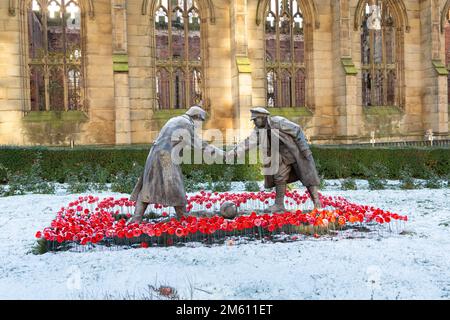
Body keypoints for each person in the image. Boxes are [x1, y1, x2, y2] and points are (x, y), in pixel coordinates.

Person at [129, 105, 224, 223]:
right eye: (201, 121)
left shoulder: (174, 119)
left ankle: (136, 218)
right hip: (166, 157)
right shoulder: (186, 123)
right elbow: (197, 143)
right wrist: (218, 151)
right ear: (196, 117)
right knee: (176, 187)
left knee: (148, 187)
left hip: (154, 154)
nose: (200, 125)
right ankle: (183, 217)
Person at [228, 107, 322, 212]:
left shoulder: (278, 122)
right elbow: (248, 142)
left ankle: (317, 202)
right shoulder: (259, 130)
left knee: (307, 176)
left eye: (255, 119)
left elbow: (297, 130)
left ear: (263, 117)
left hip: (295, 153)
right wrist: (233, 153)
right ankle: (279, 204)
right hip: (281, 156)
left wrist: (305, 150)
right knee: (279, 177)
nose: (254, 122)